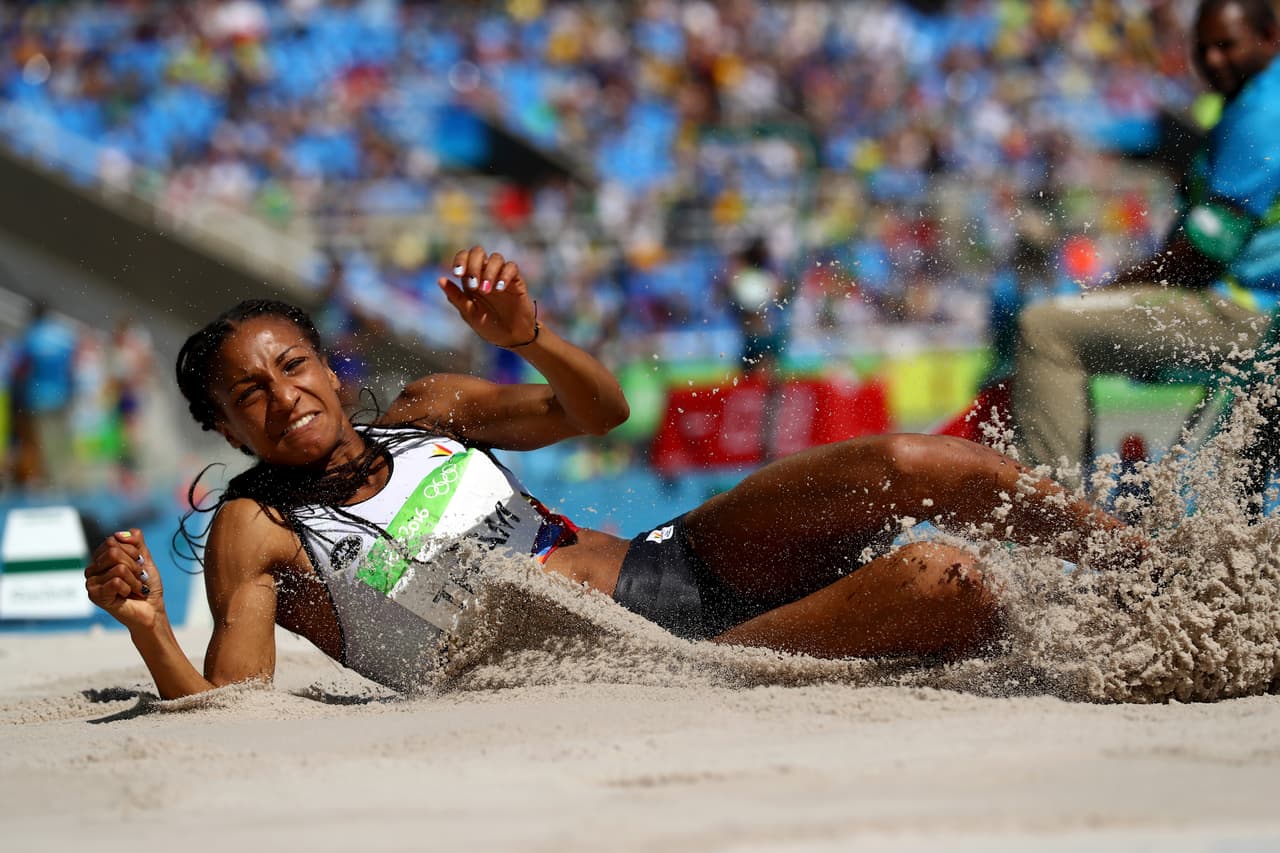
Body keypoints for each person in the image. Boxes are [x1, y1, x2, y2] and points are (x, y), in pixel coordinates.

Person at [85, 247, 1132, 698]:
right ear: (220, 422)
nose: (283, 394)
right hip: (622, 667)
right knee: (945, 581)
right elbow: (236, 694)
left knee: (911, 460)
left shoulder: (426, 413)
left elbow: (599, 410)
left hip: (668, 566)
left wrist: (528, 334)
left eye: (292, 364)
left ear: (327, 366)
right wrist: (148, 632)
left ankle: (1152, 569)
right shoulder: (256, 528)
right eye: (249, 392)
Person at [1012, 0, 1280, 473]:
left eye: (1227, 45)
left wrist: (1114, 291)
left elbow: (1202, 254)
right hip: (1254, 316)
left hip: (1242, 316)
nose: (1213, 59)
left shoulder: (1263, 111)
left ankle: (1049, 518)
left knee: (1047, 328)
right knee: (1187, 489)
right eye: (1203, 48)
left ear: (1270, 37)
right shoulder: (1252, 105)